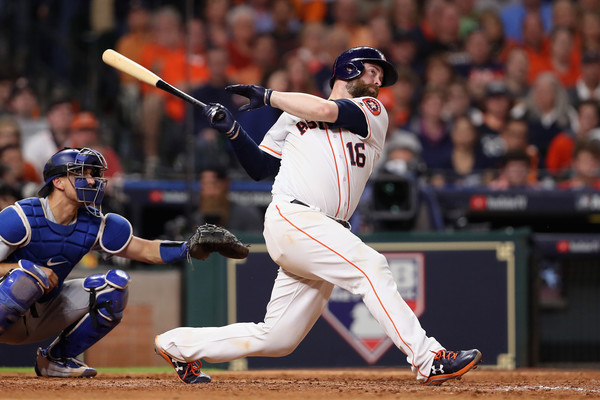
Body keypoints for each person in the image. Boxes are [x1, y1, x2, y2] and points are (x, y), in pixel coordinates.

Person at [155, 46, 481, 385]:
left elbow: (325, 109)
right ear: (350, 70)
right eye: (373, 71)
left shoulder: (371, 109)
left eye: (381, 75)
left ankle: (177, 345)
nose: (379, 79)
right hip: (294, 217)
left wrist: (268, 95)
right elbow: (261, 167)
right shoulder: (293, 112)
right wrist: (233, 131)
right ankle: (428, 359)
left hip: (323, 231)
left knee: (278, 338)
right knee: (371, 267)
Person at [0, 147, 242, 378]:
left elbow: (146, 250)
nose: (92, 181)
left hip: (44, 312)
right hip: (8, 303)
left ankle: (55, 360)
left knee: (115, 286)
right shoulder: (20, 217)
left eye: (93, 174)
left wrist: (188, 247)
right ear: (58, 182)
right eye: (81, 174)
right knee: (27, 277)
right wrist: (21, 268)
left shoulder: (92, 223)